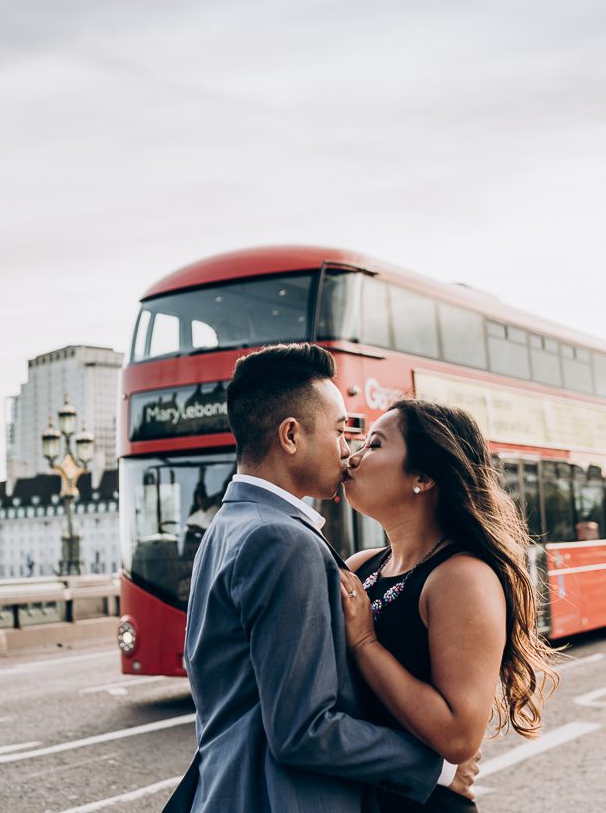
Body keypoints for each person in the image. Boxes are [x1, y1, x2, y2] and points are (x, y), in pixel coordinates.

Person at [167, 344, 476, 812]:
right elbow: (303, 730)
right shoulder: (282, 540)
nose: (347, 450)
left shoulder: (227, 527)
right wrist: (435, 767)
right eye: (338, 431)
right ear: (290, 435)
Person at [339, 400, 560, 811]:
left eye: (374, 445)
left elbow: (458, 736)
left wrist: (365, 643)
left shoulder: (461, 578)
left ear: (422, 477)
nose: (352, 457)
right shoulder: (360, 566)